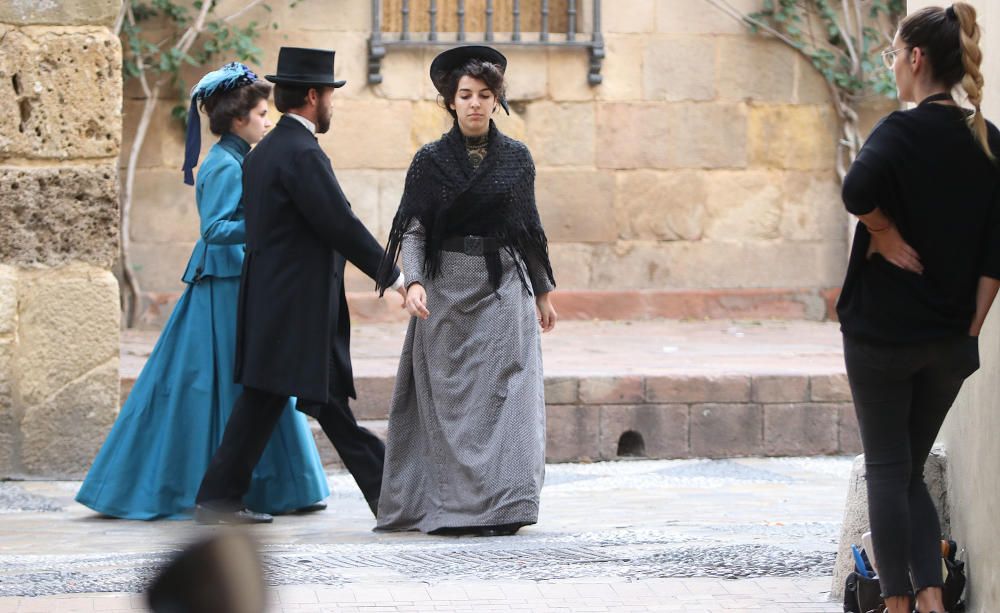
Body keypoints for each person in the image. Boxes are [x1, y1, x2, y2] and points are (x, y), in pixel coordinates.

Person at [76, 62, 329, 520]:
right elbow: (214, 229)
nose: (268, 121)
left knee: (248, 384)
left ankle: (265, 487)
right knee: (228, 384)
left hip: (236, 280)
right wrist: (273, 226)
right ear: (237, 119)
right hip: (223, 286)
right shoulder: (222, 165)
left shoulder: (237, 159)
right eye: (261, 114)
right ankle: (216, 489)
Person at [193, 47, 406, 525]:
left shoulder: (265, 152)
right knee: (321, 407)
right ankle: (395, 498)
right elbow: (340, 224)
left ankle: (218, 498)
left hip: (276, 304)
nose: (332, 103)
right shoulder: (301, 152)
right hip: (300, 311)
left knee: (278, 402)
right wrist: (392, 275)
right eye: (330, 94)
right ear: (313, 96)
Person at [837, 5, 1000, 612]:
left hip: (882, 334)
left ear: (916, 58)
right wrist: (971, 329)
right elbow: (995, 256)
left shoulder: (899, 131)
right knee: (906, 471)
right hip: (949, 341)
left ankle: (899, 602)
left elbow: (857, 190)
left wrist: (880, 231)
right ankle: (932, 598)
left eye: (893, 55)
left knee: (887, 466)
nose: (893, 69)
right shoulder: (989, 141)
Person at [374, 46, 557, 537]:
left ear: (497, 100)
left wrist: (542, 292)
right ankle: (452, 507)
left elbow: (527, 230)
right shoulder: (430, 161)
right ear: (450, 102)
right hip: (446, 287)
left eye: (484, 94)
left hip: (504, 288)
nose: (475, 103)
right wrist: (411, 281)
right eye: (465, 95)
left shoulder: (517, 159)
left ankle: (507, 505)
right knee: (450, 403)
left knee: (508, 396)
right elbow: (413, 230)